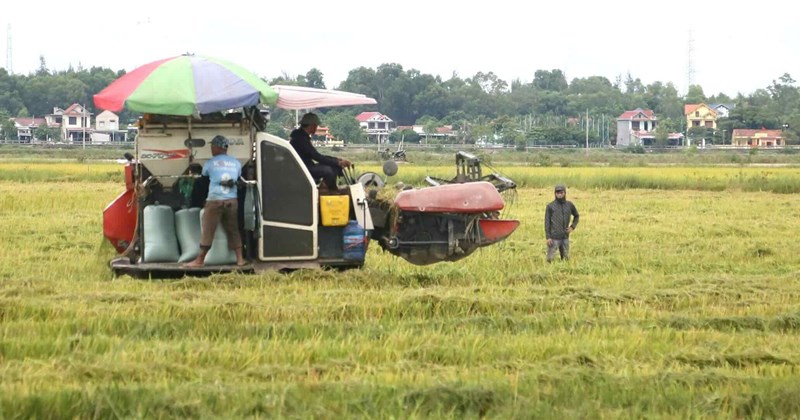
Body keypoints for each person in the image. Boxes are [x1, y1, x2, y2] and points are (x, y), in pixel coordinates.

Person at [185, 135, 246, 267]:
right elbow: (238, 177)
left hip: (215, 200)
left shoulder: (210, 163)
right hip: (232, 200)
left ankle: (199, 260)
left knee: (208, 230)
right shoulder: (236, 162)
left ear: (218, 147)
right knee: (233, 229)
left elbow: (204, 180)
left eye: (213, 146)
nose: (211, 148)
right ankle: (240, 259)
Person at [289, 112, 351, 190]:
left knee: (335, 166)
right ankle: (331, 191)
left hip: (306, 166)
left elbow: (316, 155)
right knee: (328, 170)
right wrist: (337, 162)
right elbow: (316, 156)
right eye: (316, 126)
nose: (316, 128)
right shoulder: (301, 138)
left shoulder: (301, 136)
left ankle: (327, 187)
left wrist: (336, 160)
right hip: (303, 168)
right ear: (312, 125)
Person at [544, 184, 580, 262]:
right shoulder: (550, 206)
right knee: (549, 259)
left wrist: (572, 227)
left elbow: (576, 216)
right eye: (557, 192)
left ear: (565, 193)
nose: (559, 194)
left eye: (561, 192)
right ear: (555, 193)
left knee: (566, 259)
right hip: (554, 238)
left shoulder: (569, 205)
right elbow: (547, 222)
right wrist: (548, 237)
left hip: (565, 237)